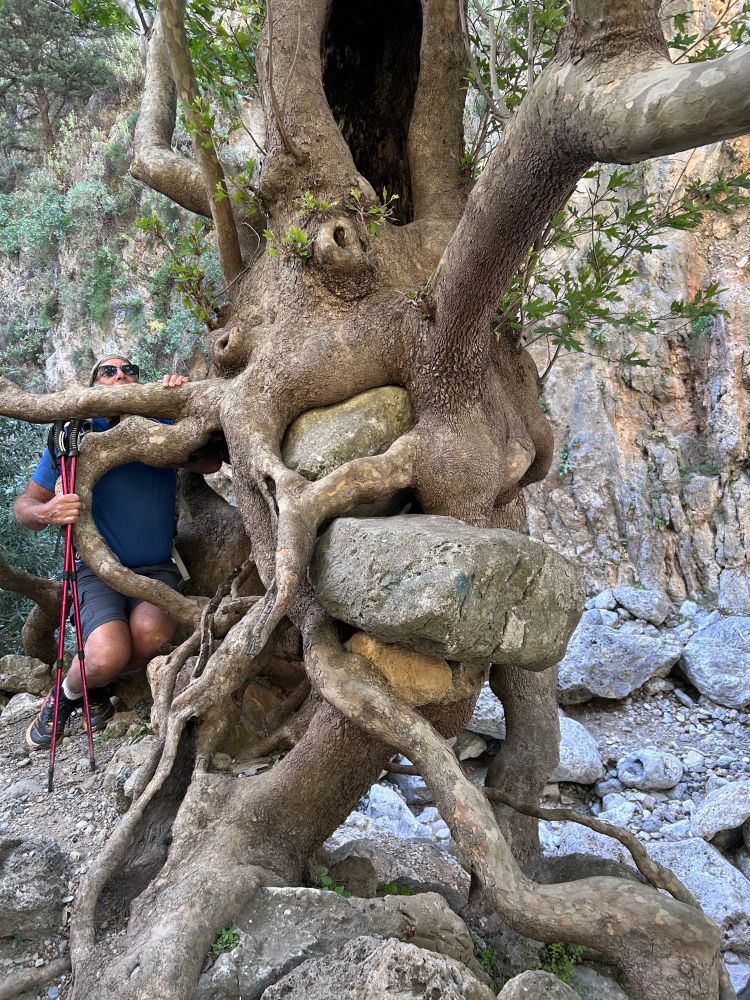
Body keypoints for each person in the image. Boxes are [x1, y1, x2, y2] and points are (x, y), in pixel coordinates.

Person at [14, 354, 222, 750]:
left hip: (156, 566)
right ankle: (66, 694)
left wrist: (181, 404)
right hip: (95, 570)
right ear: (93, 385)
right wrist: (47, 511)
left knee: (151, 636)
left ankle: (92, 685)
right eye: (108, 371)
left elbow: (211, 463)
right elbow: (24, 507)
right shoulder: (73, 436)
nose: (120, 375)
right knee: (106, 655)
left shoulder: (159, 423)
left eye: (129, 370)